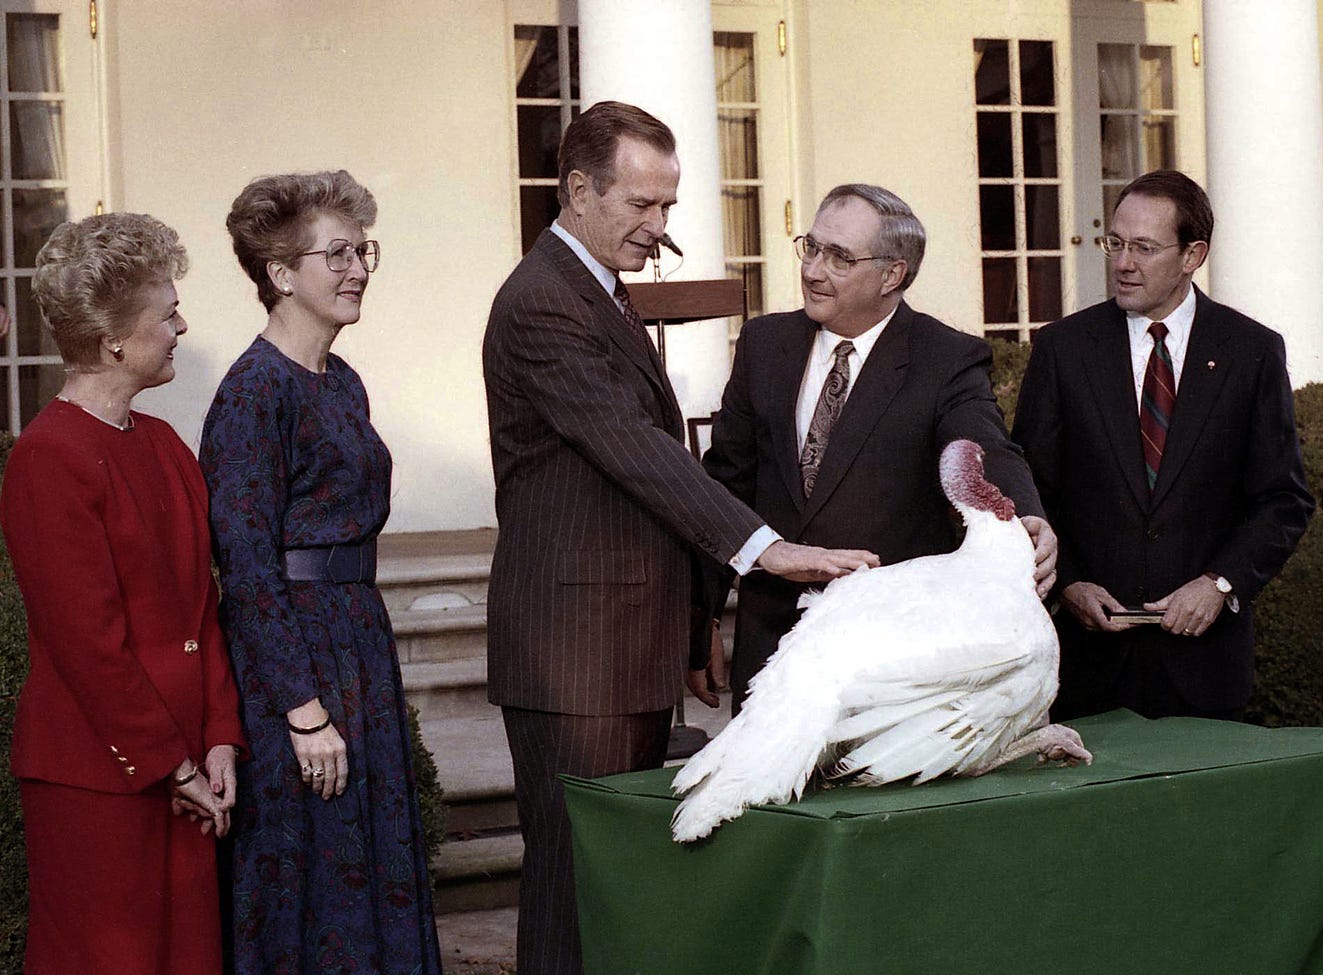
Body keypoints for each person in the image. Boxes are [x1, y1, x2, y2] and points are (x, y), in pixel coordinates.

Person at [482, 100, 877, 975]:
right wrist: (760, 548)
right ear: (579, 190)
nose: (661, 228)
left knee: (614, 883)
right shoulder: (544, 300)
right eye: (641, 205)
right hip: (573, 653)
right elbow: (634, 450)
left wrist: (697, 612)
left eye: (668, 205)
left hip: (619, 641)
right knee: (574, 885)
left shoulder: (595, 288)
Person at [200, 171, 441, 975]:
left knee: (371, 861)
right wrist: (302, 712)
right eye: (335, 253)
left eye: (362, 249)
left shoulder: (342, 381)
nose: (357, 268)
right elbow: (247, 564)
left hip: (357, 639)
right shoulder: (251, 393)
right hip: (295, 659)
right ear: (279, 273)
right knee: (308, 872)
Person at [702, 183, 1057, 710]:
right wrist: (703, 615)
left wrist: (1022, 516)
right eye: (812, 247)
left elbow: (985, 447)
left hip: (890, 657)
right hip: (771, 652)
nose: (814, 270)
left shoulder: (946, 359)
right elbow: (724, 483)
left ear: (892, 274)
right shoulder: (763, 345)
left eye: (840, 257)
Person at [1, 212, 244, 974]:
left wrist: (218, 738)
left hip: (187, 769)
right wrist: (170, 764)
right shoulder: (47, 457)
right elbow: (85, 642)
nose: (181, 325)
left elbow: (202, 612)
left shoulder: (166, 445)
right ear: (112, 336)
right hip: (97, 778)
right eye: (166, 311)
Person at [1012, 170, 1314, 721]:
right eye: (1116, 243)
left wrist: (1220, 584)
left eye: (1144, 248)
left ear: (1192, 255)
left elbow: (1282, 501)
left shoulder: (1251, 352)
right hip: (1085, 667)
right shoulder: (1063, 349)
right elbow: (1028, 492)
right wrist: (1069, 583)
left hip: (1206, 668)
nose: (1123, 262)